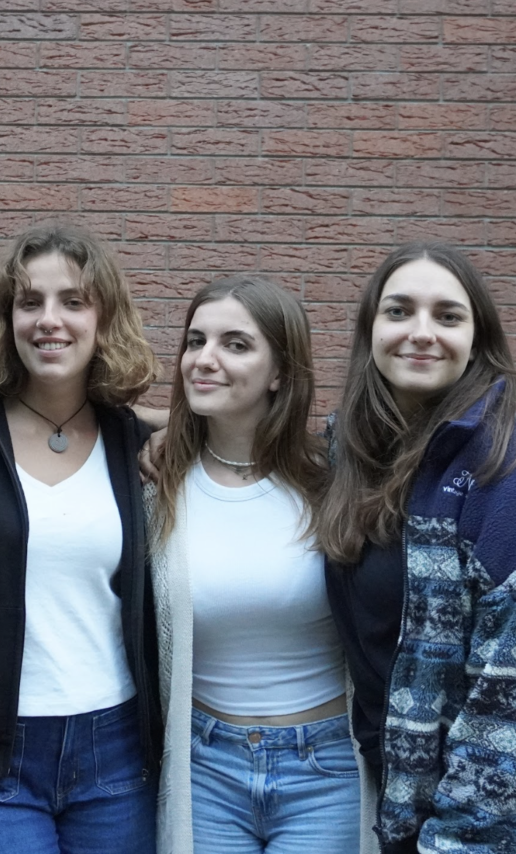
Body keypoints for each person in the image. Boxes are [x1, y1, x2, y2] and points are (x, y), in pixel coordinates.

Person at [318, 242, 516, 854]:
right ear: (370, 331)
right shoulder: (357, 451)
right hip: (407, 796)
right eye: (399, 311)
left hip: (503, 826)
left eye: (447, 316)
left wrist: (460, 841)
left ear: (477, 340)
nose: (421, 332)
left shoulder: (510, 473)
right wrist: (164, 433)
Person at [0, 224, 164, 854]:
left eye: (73, 301)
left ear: (103, 318)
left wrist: (183, 426)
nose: (48, 320)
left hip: (115, 749)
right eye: (29, 302)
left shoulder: (131, 440)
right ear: (8, 318)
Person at [148, 275, 360, 854]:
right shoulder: (157, 484)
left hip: (323, 768)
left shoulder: (335, 482)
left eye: (235, 345)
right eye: (196, 341)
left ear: (280, 374)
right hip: (204, 767)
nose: (204, 359)